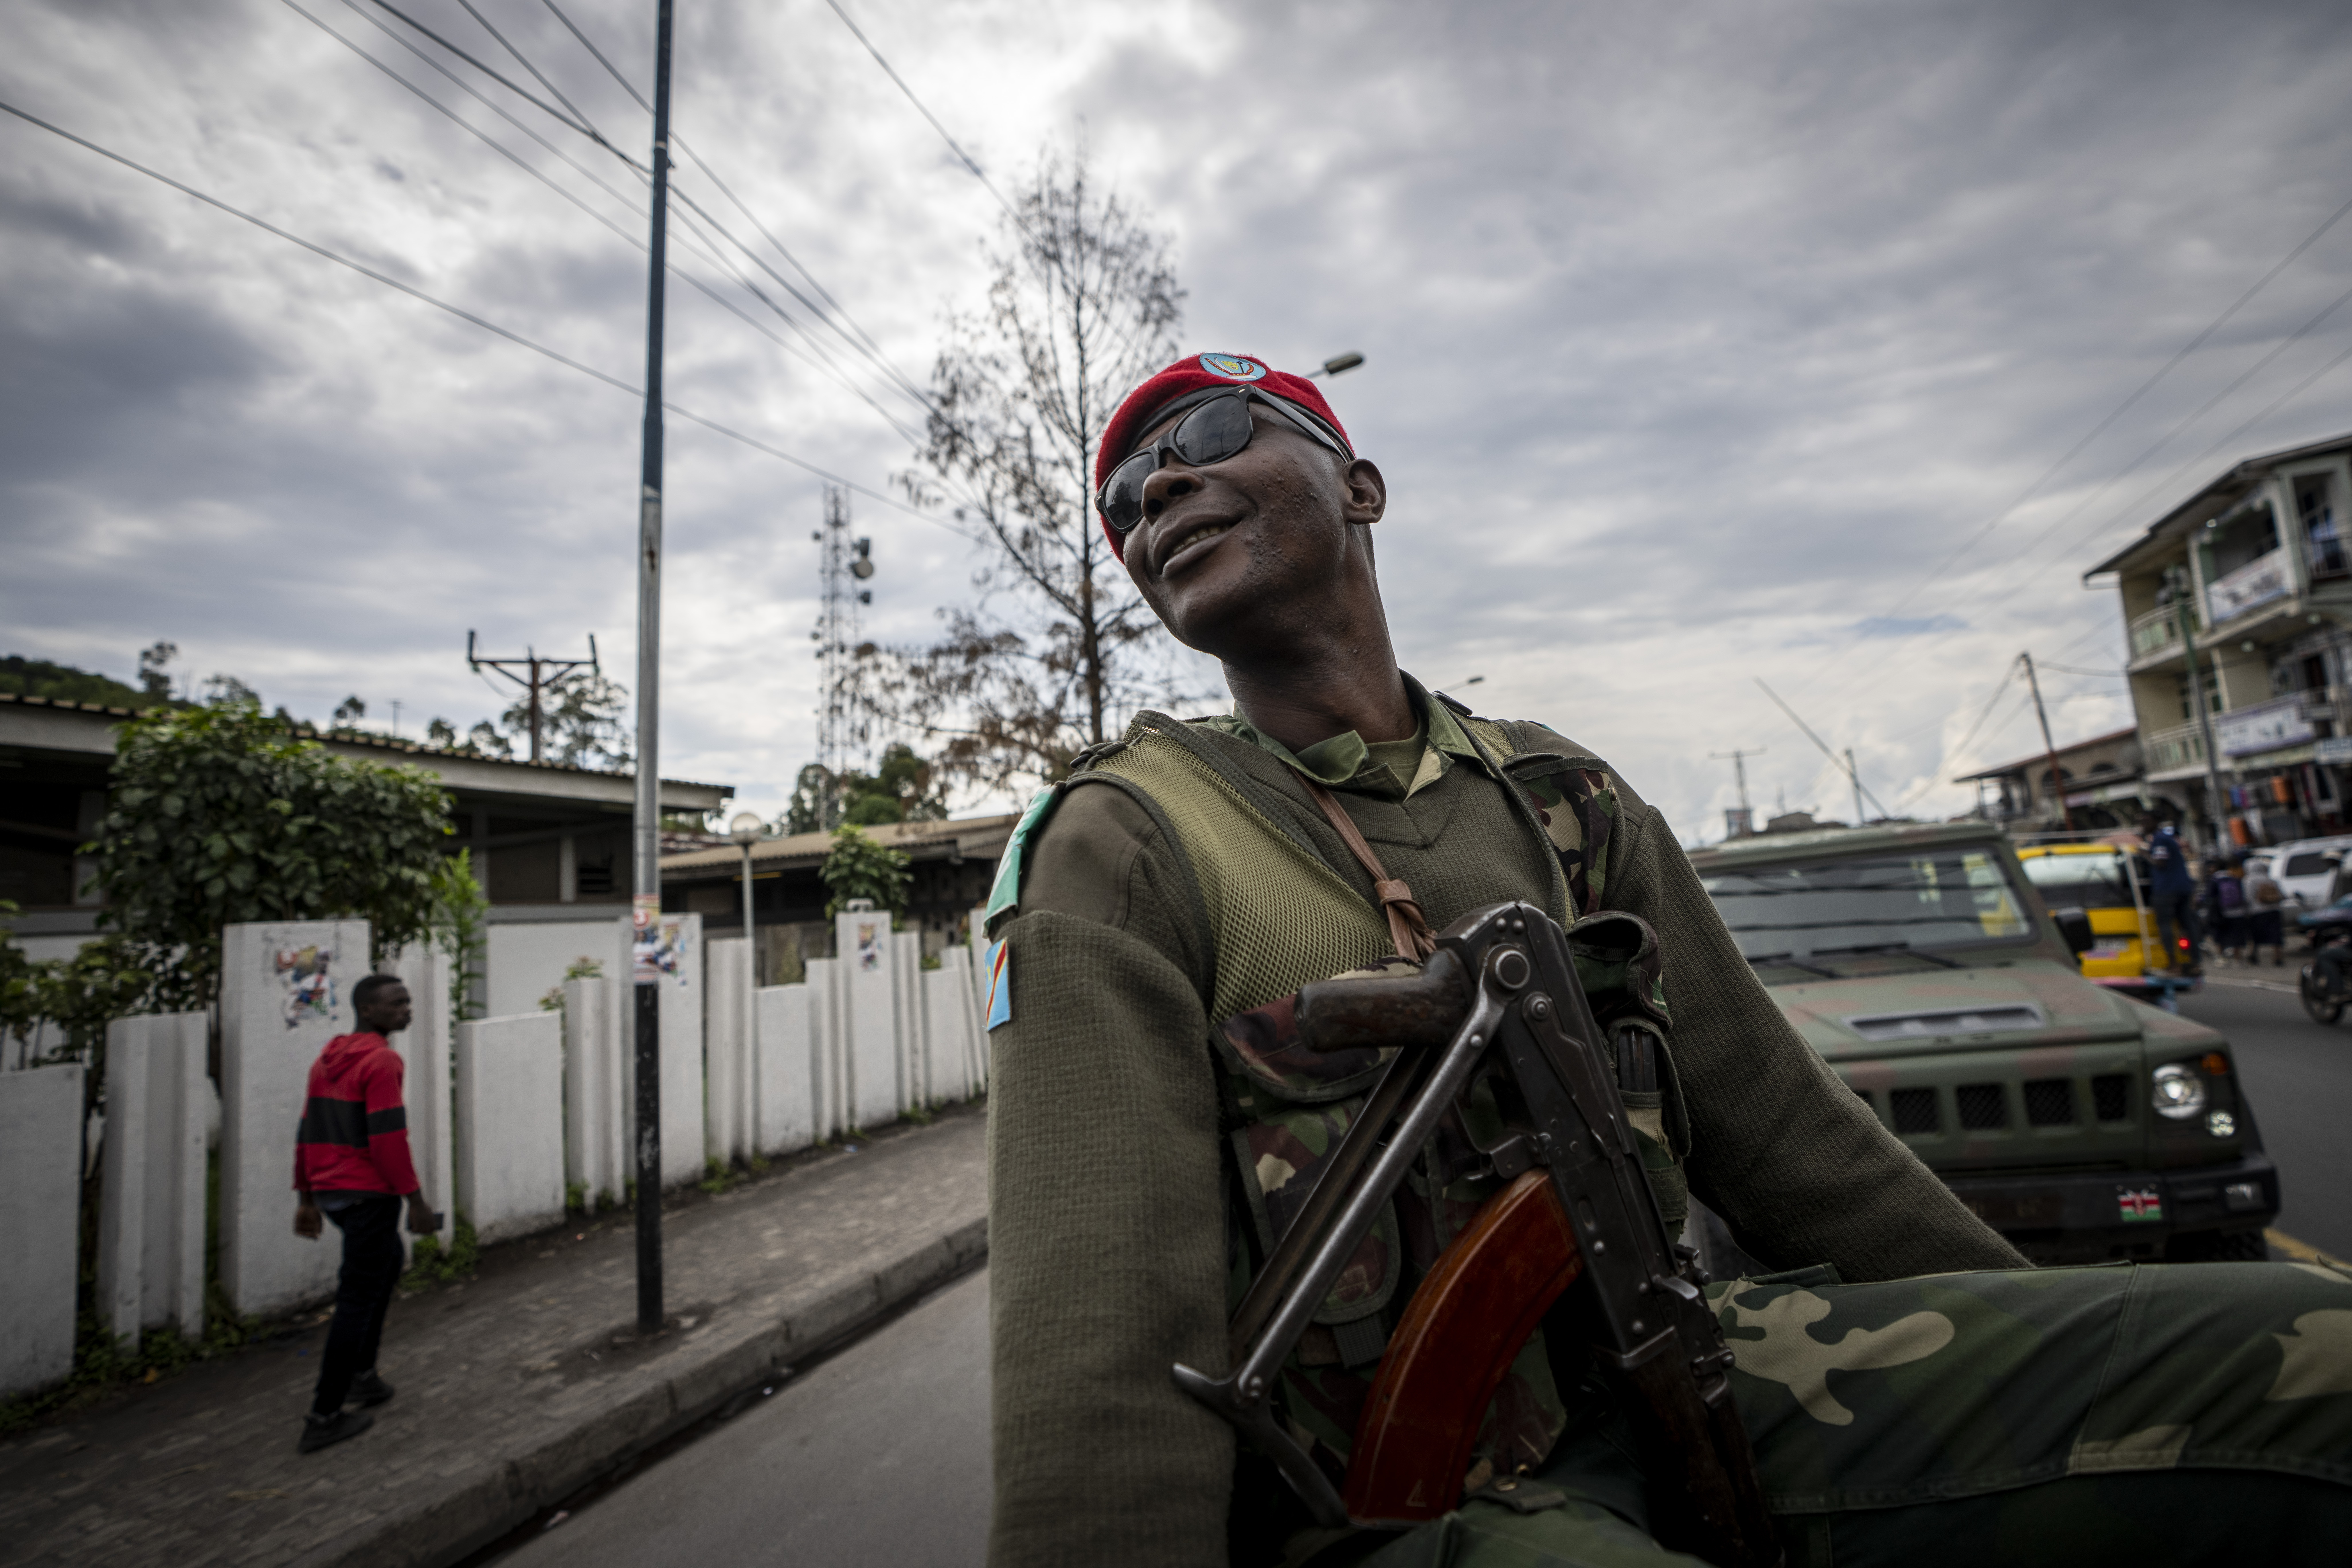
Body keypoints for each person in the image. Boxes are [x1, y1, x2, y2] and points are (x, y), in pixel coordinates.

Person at [982, 353, 2352, 1567]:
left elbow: (1797, 1144)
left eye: (1209, 433)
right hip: (1400, 1497)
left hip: (1687, 1371)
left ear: (1364, 489)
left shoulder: (1563, 801)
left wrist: (2072, 1372)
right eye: (1126, 499)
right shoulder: (1128, 842)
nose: (1156, 493)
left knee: (2310, 1354)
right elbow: (1100, 1380)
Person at [292, 973, 438, 1454]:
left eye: (408, 1001)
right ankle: (325, 1413)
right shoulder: (382, 1061)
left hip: (333, 1191)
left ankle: (363, 1375)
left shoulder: (327, 1060)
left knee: (387, 1263)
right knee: (358, 1295)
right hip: (366, 1193)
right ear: (368, 1011)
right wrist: (414, 1200)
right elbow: (387, 1138)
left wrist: (308, 1197)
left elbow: (306, 1129)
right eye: (397, 1004)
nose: (407, 1010)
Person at [2140, 814, 2201, 973]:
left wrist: (2145, 855)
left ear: (2155, 821)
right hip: (2183, 887)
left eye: (2146, 821)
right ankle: (2195, 962)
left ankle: (2174, 964)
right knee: (2188, 924)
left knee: (2165, 924)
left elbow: (2160, 863)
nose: (2143, 825)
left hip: (2166, 889)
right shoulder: (2169, 839)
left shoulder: (2159, 840)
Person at [2245, 855, 2288, 967]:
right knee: (2276, 935)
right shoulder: (2271, 880)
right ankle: (2278, 958)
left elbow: (2248, 898)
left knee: (2256, 935)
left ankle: (2253, 956)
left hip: (2257, 912)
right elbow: (2282, 896)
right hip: (2274, 911)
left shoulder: (2249, 880)